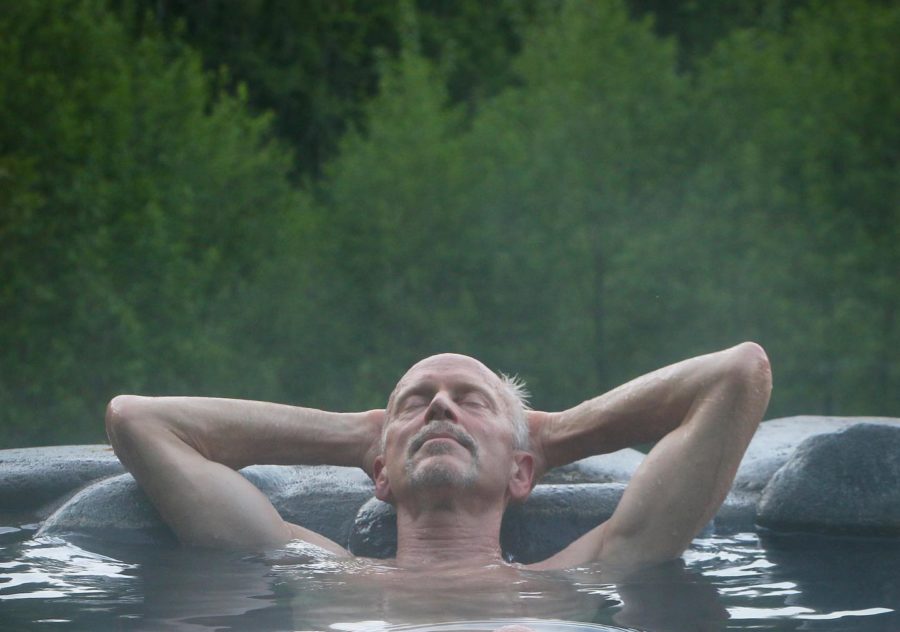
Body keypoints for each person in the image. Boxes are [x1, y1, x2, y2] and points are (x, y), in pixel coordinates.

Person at [105, 342, 771, 572]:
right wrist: (362, 437)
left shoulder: (578, 578)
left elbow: (738, 375)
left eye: (470, 401)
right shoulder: (311, 569)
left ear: (521, 472)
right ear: (381, 474)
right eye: (417, 402)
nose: (441, 408)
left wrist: (554, 433)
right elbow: (140, 421)